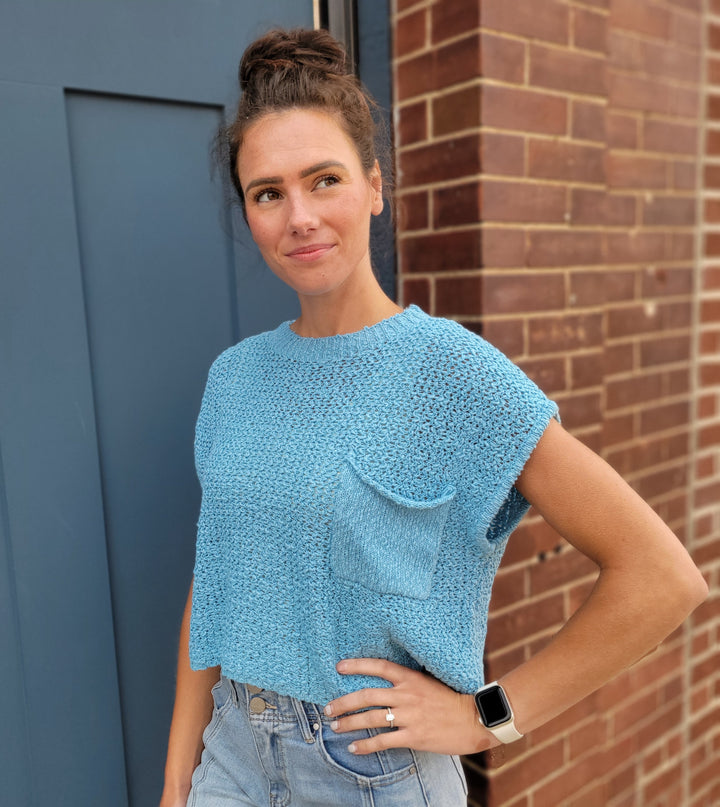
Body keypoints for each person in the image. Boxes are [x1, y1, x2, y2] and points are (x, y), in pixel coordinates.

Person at [159, 27, 708, 807]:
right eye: (268, 192)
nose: (299, 216)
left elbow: (660, 576)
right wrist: (179, 776)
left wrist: (487, 718)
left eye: (324, 180)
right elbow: (216, 578)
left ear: (374, 187)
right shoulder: (235, 378)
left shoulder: (453, 375)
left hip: (372, 773)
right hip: (232, 760)